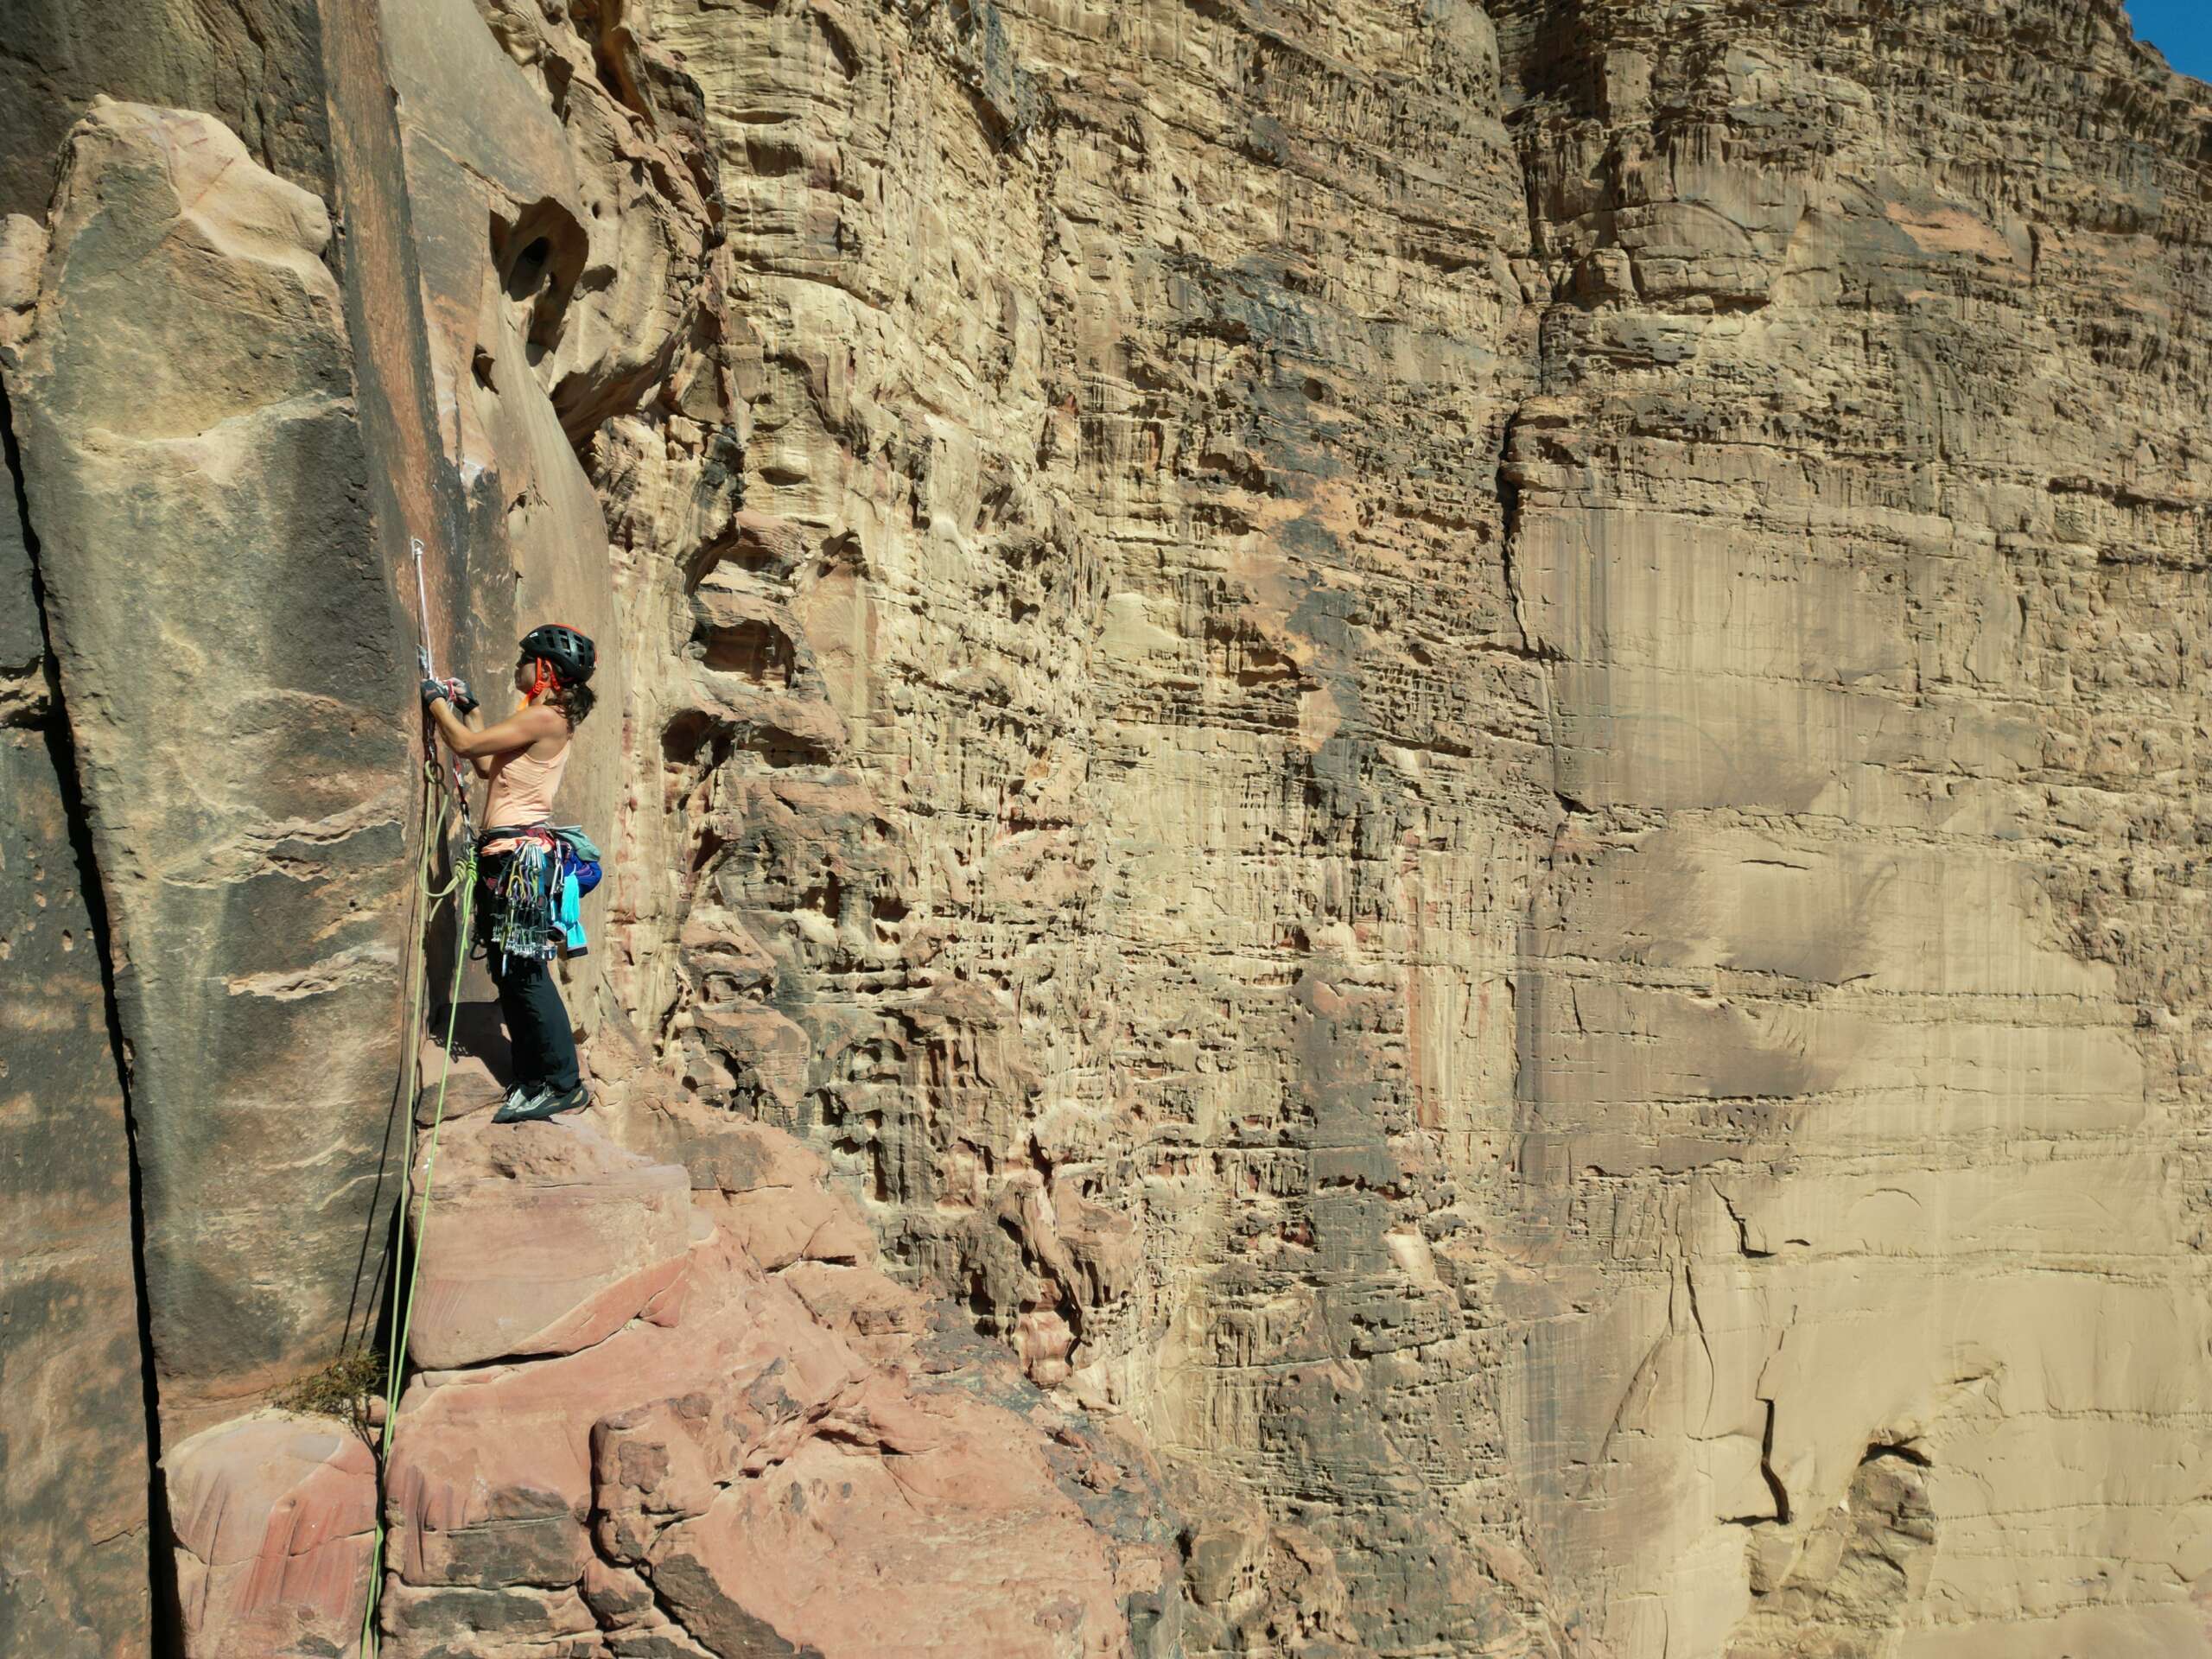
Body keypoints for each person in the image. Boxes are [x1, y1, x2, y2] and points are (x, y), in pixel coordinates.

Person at [421, 624, 598, 1123]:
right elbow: (483, 765)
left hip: (519, 860)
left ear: (544, 669)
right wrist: (468, 706)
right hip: (509, 857)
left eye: (525, 659)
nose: (516, 667)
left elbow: (462, 745)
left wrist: (433, 699)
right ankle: (534, 1077)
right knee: (508, 972)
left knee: (524, 973)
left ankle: (564, 1083)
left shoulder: (545, 717)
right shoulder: (541, 718)